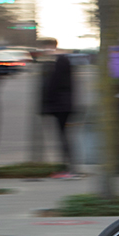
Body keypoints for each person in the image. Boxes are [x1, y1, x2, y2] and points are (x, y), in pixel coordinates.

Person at [40, 39, 76, 178]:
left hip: (61, 106)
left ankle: (68, 167)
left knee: (63, 137)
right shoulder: (59, 61)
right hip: (61, 105)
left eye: (46, 47)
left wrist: (46, 104)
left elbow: (54, 85)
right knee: (63, 136)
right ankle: (66, 166)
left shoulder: (60, 61)